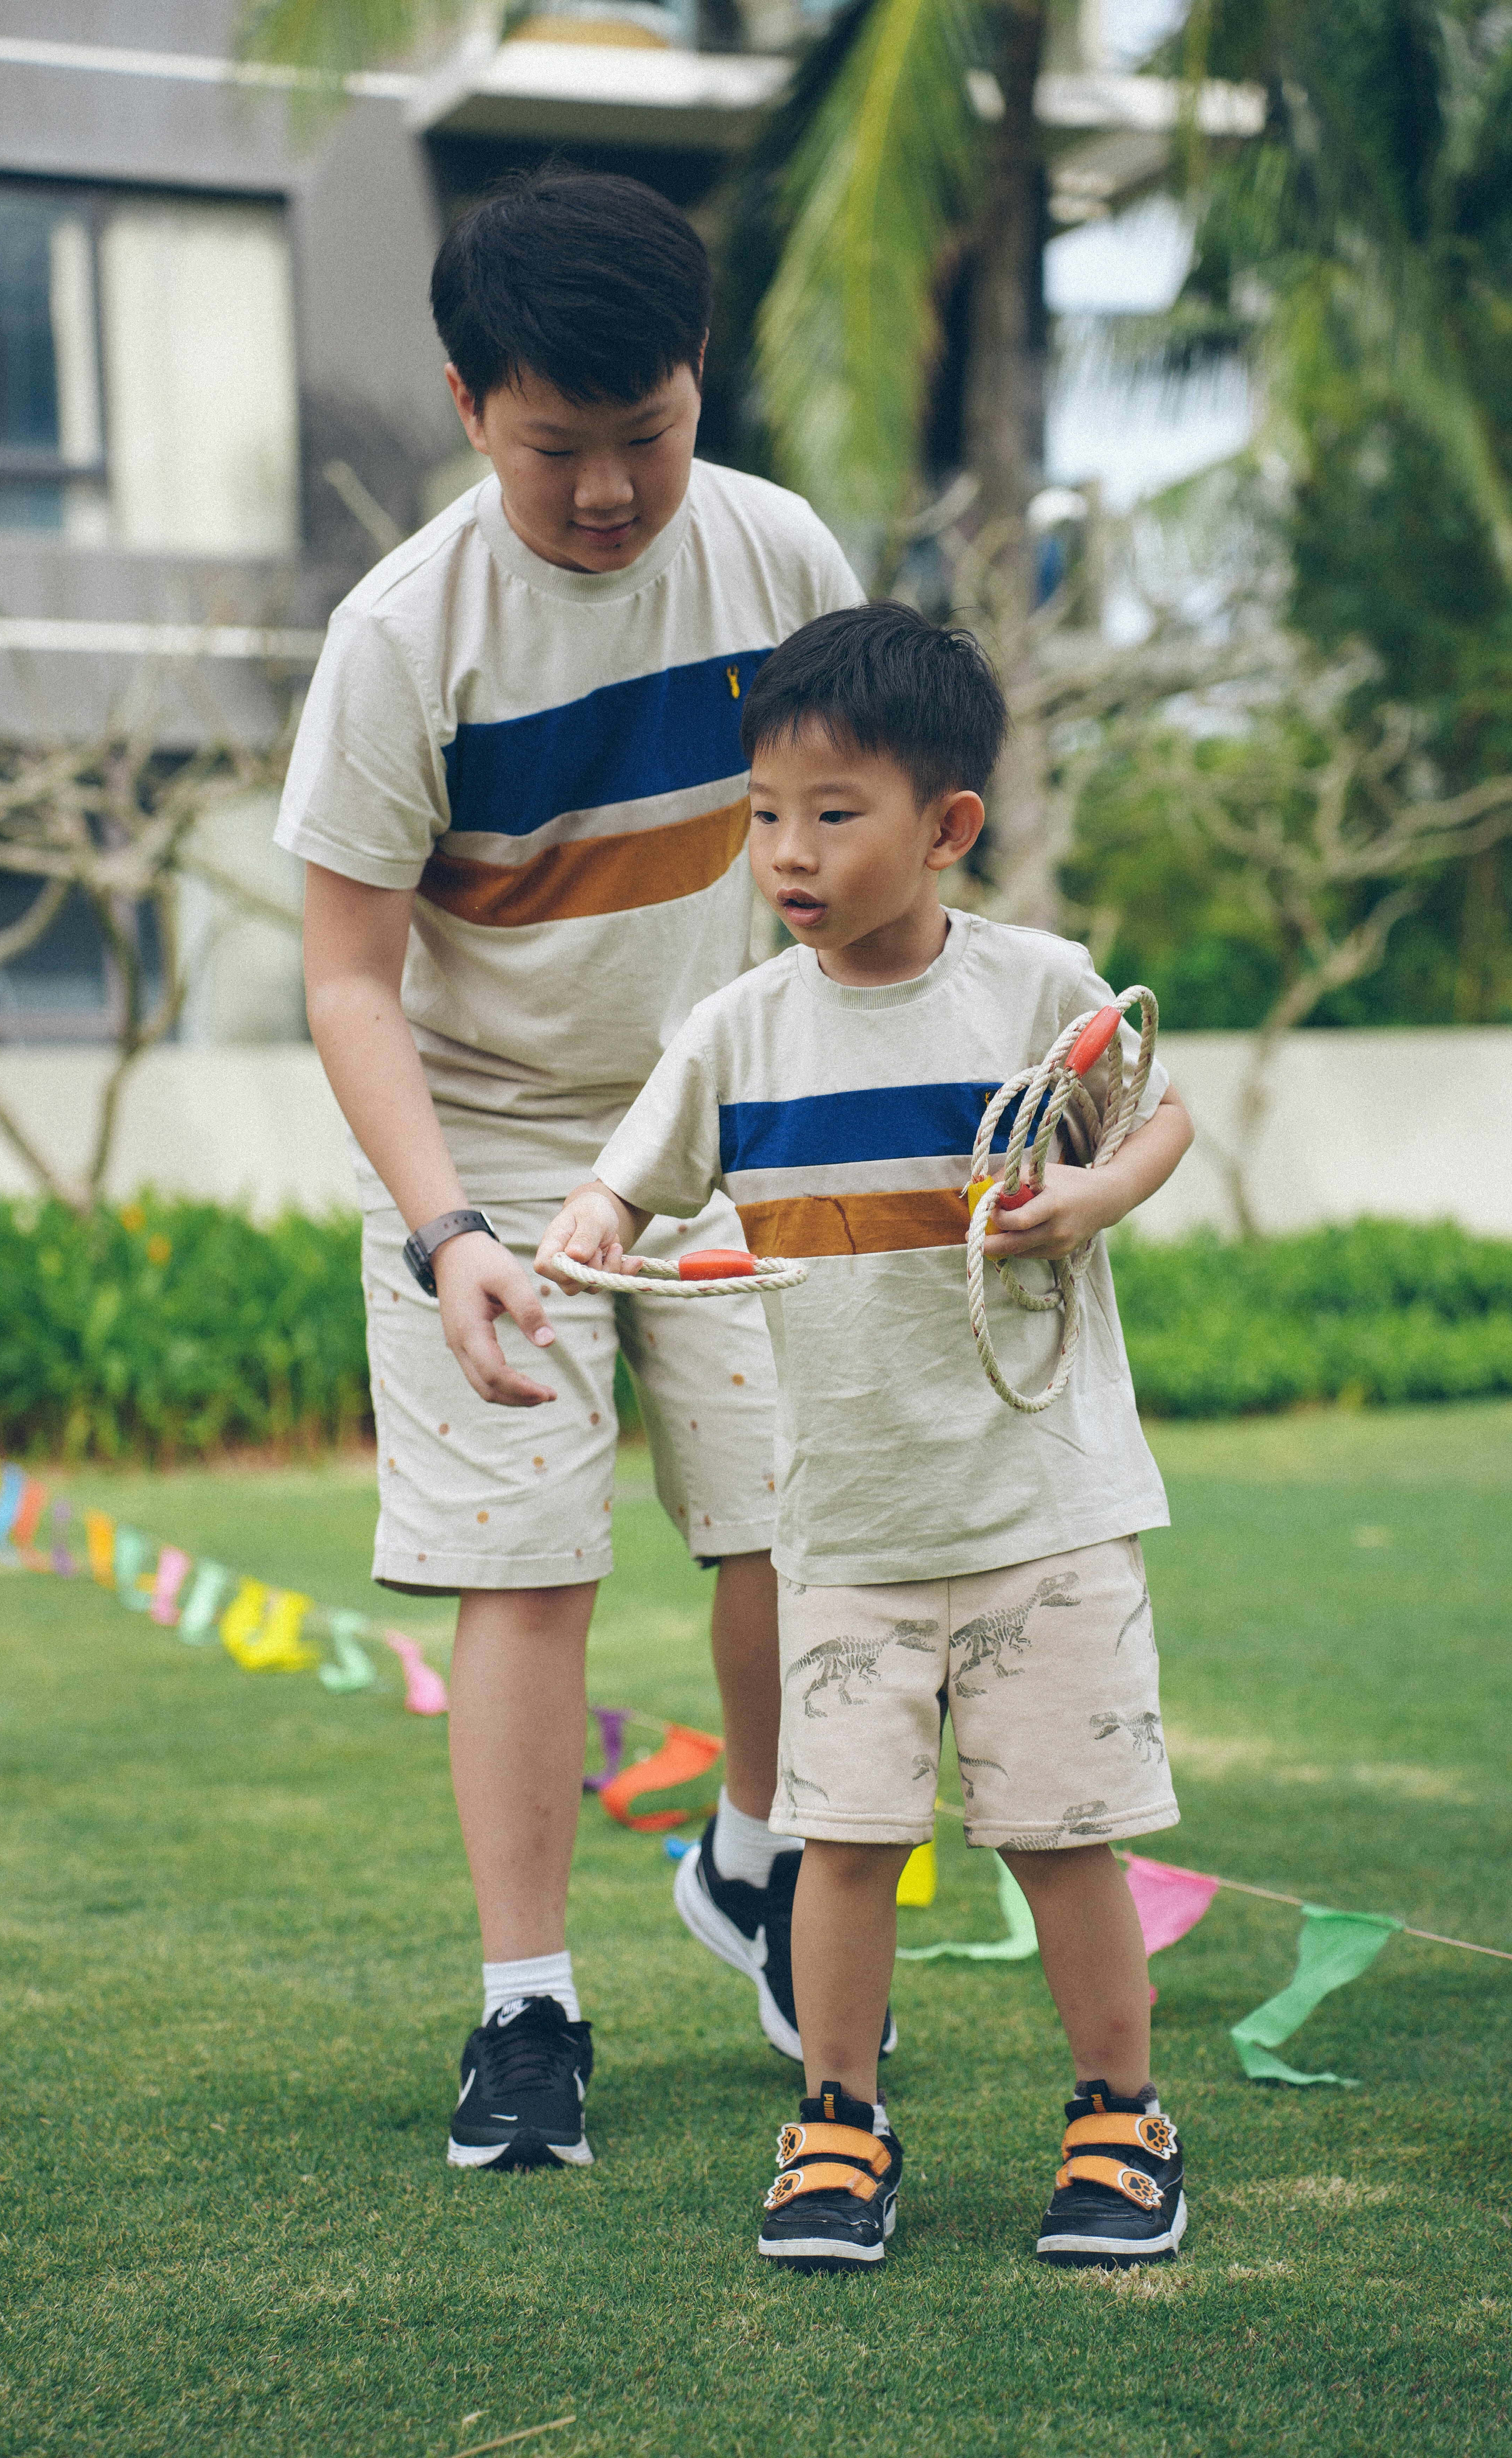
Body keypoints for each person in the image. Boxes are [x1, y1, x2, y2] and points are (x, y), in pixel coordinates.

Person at [275, 170, 863, 2173]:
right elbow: (348, 978)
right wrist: (446, 1234)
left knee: (801, 1525)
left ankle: (760, 1862)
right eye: (559, 450)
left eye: (650, 436)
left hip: (727, 1124)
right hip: (497, 1150)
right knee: (524, 1575)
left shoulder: (779, 551)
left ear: (703, 383)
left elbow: (853, 849)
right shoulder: (398, 638)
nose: (613, 492)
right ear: (468, 404)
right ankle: (530, 2010)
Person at [535, 602, 1197, 2271]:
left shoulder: (1040, 991)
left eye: (834, 815)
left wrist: (1096, 1193)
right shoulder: (739, 1031)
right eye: (766, 814)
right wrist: (599, 1219)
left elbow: (1158, 1107)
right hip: (844, 1529)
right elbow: (632, 1174)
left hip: (1043, 1512)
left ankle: (1120, 2118)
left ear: (946, 826)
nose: (789, 851)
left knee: (1061, 1836)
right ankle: (835, 2121)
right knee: (841, 1846)